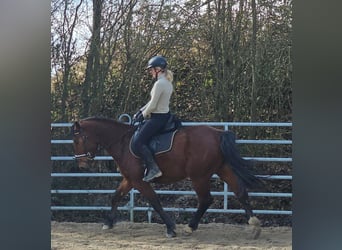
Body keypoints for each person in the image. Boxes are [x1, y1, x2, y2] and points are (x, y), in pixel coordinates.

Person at [132, 55, 174, 182]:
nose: (150, 72)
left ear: (158, 69)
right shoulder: (167, 83)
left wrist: (142, 116)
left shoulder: (159, 84)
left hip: (157, 118)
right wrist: (140, 111)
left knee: (138, 141)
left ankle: (153, 169)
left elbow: (153, 104)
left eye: (151, 69)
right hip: (164, 116)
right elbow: (152, 102)